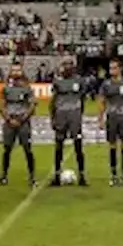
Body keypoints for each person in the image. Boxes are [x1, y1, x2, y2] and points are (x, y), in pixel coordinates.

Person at [49, 57, 88, 187]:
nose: (67, 67)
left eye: (69, 64)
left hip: (74, 115)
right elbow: (53, 100)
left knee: (78, 145)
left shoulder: (79, 81)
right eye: (64, 64)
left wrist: (78, 113)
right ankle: (56, 175)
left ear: (74, 66)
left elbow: (83, 98)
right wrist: (52, 117)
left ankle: (82, 175)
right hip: (61, 115)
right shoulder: (57, 81)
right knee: (59, 145)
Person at [0, 62, 37, 188]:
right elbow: (2, 106)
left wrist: (22, 119)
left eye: (18, 70)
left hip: (23, 121)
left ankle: (32, 176)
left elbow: (32, 106)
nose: (16, 73)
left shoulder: (27, 89)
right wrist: (9, 119)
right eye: (13, 70)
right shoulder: (5, 89)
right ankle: (3, 175)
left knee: (27, 149)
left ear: (22, 72)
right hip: (9, 121)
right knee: (7, 149)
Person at [98, 59, 123, 187]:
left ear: (120, 69)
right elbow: (102, 101)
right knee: (112, 146)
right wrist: (100, 118)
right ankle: (113, 175)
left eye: (114, 68)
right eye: (110, 68)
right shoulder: (106, 84)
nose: (111, 70)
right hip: (112, 117)